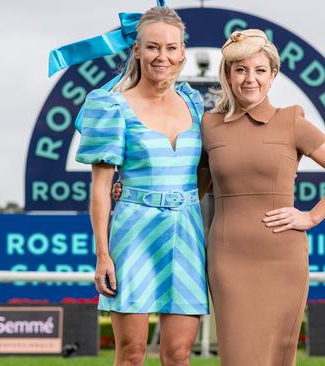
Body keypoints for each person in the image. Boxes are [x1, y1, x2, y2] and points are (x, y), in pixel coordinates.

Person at [198, 29, 325, 365]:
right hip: (228, 259)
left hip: (282, 257)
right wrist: (130, 187)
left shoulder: (291, 121)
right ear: (228, 74)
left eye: (260, 70)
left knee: (277, 357)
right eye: (240, 69)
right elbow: (192, 187)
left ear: (273, 75)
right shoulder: (209, 125)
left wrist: (311, 216)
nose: (250, 79)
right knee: (239, 357)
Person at [75, 6, 208, 366]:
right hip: (134, 234)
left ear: (182, 52)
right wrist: (103, 254)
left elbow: (210, 172)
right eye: (152, 47)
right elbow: (101, 190)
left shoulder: (195, 105)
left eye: (170, 48)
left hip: (187, 234)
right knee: (132, 354)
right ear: (136, 49)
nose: (161, 56)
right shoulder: (111, 106)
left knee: (179, 354)